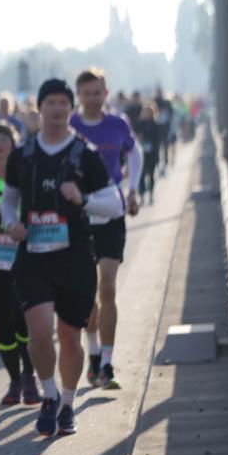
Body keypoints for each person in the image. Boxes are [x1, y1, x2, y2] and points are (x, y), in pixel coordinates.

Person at [1, 79, 123, 436]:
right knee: (38, 334)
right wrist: (10, 223)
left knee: (69, 337)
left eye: (62, 103)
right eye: (50, 102)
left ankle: (68, 403)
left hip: (74, 257)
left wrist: (83, 200)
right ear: (40, 108)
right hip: (34, 256)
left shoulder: (85, 155)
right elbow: (8, 199)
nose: (56, 109)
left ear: (70, 109)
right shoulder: (22, 155)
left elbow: (114, 204)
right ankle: (49, 395)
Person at [70, 68, 142, 390]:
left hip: (111, 210)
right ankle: (94, 355)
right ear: (79, 96)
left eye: (97, 92)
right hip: (80, 214)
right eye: (86, 93)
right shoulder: (70, 126)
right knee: (87, 294)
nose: (92, 99)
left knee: (108, 289)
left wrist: (134, 189)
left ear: (105, 93)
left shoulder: (117, 124)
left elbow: (134, 151)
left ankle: (108, 364)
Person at [0, 124, 41, 406]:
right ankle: (14, 380)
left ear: (13, 144)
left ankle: (30, 376)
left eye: (6, 139)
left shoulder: (22, 175)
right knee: (3, 324)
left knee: (21, 320)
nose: (0, 144)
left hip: (22, 258)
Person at [136, 102, 161, 205]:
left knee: (151, 175)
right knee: (141, 176)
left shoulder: (155, 125)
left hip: (152, 154)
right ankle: (141, 195)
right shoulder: (139, 124)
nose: (146, 114)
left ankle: (151, 194)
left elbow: (157, 140)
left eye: (148, 112)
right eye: (145, 112)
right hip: (141, 154)